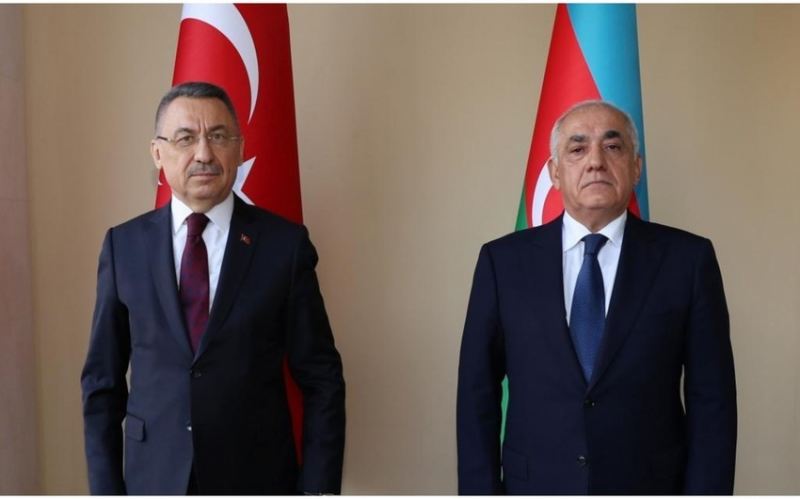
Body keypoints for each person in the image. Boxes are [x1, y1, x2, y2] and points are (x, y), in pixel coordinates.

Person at [456, 100, 736, 494]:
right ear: (554, 172)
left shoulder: (688, 261)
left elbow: (713, 402)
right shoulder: (502, 263)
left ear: (636, 167)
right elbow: (476, 397)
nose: (595, 162)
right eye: (577, 148)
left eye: (612, 146)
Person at [81, 82, 345, 495]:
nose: (204, 153)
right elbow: (102, 386)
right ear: (157, 152)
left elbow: (322, 379)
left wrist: (317, 490)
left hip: (257, 479)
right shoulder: (123, 247)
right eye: (185, 138)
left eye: (219, 136)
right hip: (154, 479)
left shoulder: (284, 246)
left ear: (239, 150)